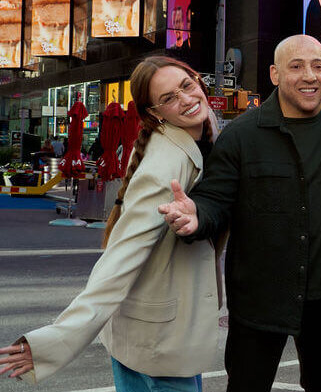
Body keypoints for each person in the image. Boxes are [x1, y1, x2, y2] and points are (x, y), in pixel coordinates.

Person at [0, 56, 220, 390]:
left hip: (150, 334)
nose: (187, 99)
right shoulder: (167, 163)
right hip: (157, 346)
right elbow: (120, 259)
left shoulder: (187, 140)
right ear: (155, 113)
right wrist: (57, 339)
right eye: (168, 98)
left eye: (187, 85)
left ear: (198, 81)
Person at [157, 35, 321, 392]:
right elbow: (215, 201)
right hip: (260, 301)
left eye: (317, 66)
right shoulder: (241, 135)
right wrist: (195, 216)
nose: (309, 75)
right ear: (275, 74)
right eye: (296, 67)